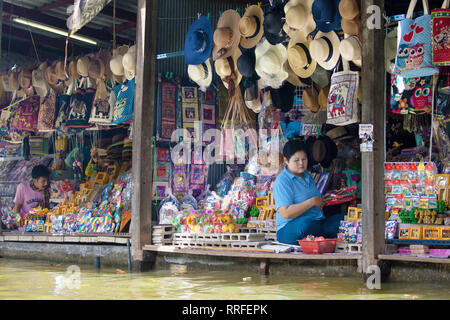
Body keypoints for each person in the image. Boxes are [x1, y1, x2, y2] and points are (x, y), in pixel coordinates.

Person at [273, 140, 344, 245]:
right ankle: (324, 236)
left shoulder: (307, 175)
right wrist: (312, 202)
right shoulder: (282, 181)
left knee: (344, 219)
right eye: (296, 160)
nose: (301, 163)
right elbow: (286, 213)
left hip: (317, 222)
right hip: (289, 228)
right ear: (286, 161)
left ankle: (322, 237)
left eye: (304, 159)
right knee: (305, 225)